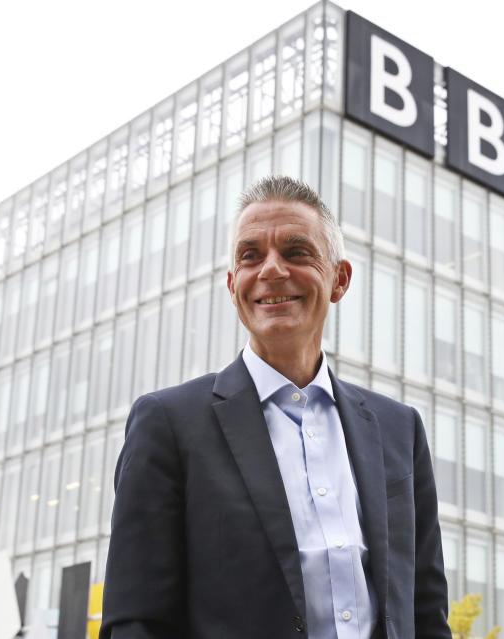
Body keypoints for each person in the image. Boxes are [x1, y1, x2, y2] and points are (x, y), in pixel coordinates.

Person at [101, 175, 451, 639]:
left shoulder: (398, 428)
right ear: (233, 286)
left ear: (339, 279)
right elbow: (136, 622)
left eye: (295, 251)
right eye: (250, 256)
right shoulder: (168, 424)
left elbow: (426, 613)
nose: (270, 269)